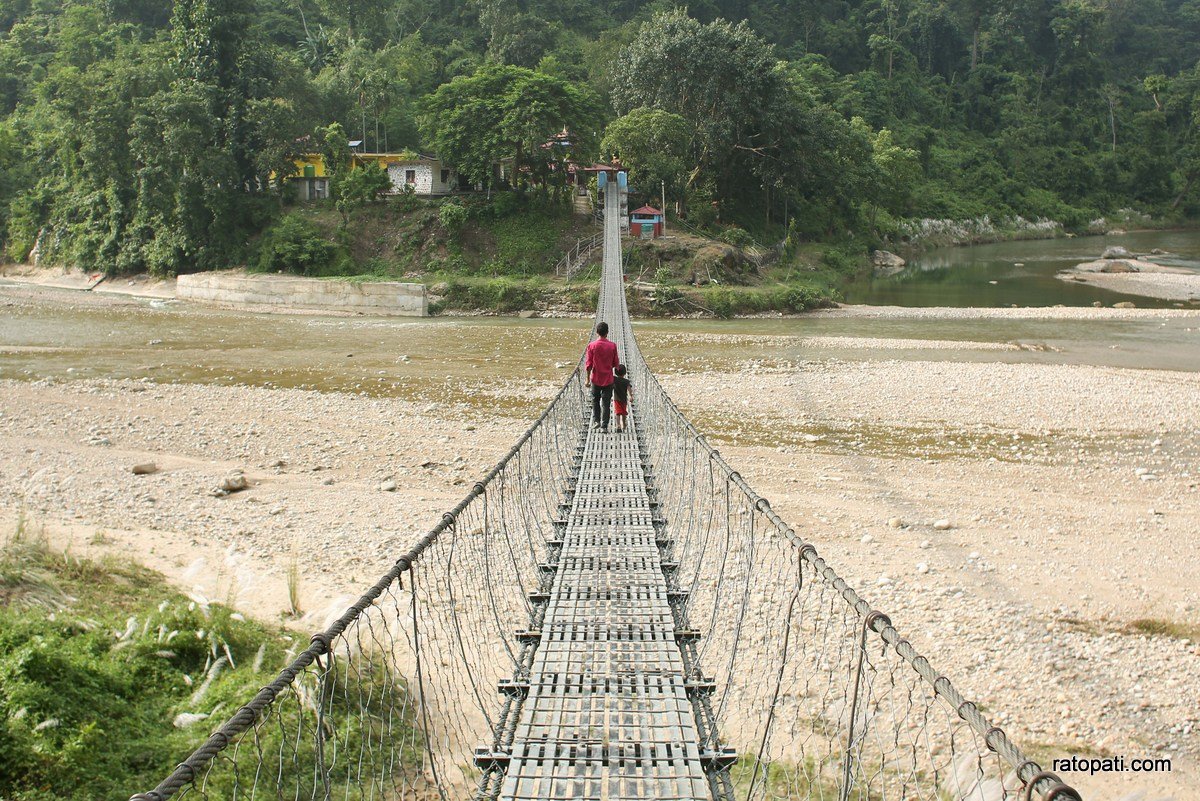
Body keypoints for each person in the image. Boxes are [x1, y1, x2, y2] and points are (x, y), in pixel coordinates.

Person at [584, 321, 620, 432]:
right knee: (606, 403)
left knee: (595, 400)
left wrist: (587, 379)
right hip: (608, 379)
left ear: (596, 332)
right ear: (607, 333)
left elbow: (588, 364)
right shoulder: (612, 346)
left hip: (595, 378)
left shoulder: (591, 346)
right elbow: (616, 363)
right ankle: (604, 426)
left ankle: (597, 421)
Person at [612, 364, 632, 433]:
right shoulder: (626, 381)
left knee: (617, 413)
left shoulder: (614, 379)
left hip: (616, 399)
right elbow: (629, 389)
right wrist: (630, 396)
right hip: (624, 400)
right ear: (625, 373)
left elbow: (608, 376)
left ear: (615, 372)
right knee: (623, 413)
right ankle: (623, 424)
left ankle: (618, 425)